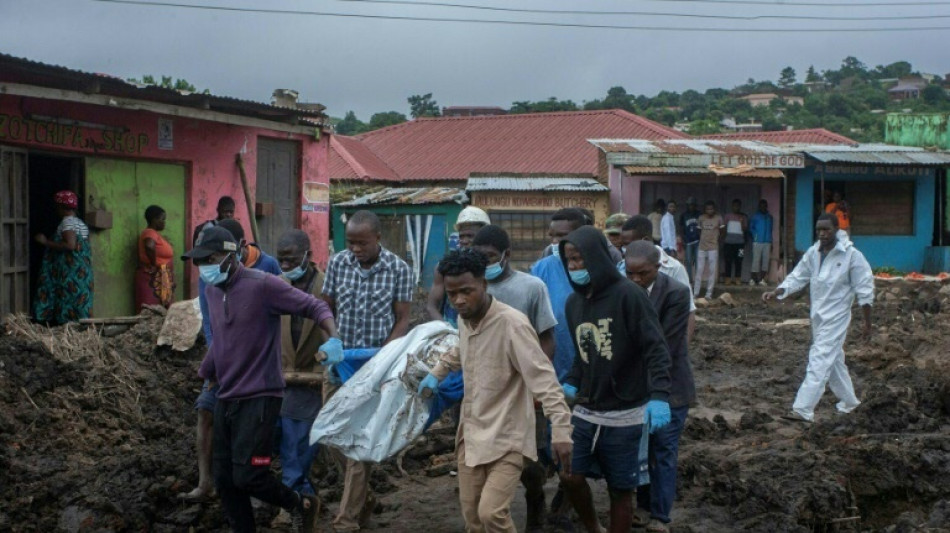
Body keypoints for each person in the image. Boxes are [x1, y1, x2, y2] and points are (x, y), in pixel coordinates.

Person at [185, 226, 341, 533]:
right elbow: (222, 338)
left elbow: (316, 305)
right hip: (227, 393)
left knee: (250, 476)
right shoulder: (213, 291)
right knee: (226, 480)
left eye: (211, 258)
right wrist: (208, 372)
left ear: (232, 255)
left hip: (260, 395)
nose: (204, 266)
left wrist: (333, 339)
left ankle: (299, 502)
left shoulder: (263, 285)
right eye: (199, 260)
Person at [418, 249, 573, 533]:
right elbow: (458, 348)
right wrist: (436, 373)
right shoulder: (465, 319)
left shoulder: (512, 324)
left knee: (492, 514)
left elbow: (545, 381)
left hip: (507, 436)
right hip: (472, 434)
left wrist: (561, 430)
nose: (459, 300)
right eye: (452, 294)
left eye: (467, 291)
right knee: (473, 519)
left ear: (484, 284)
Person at [557, 226, 672, 533]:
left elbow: (656, 348)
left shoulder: (629, 295)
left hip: (626, 410)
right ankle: (594, 526)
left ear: (596, 258)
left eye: (580, 259)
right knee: (569, 475)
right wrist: (570, 382)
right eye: (569, 260)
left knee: (620, 489)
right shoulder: (573, 304)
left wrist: (660, 395)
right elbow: (585, 356)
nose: (574, 267)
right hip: (587, 407)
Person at [322, 209, 413, 532]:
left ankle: (346, 520)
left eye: (362, 243)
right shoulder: (336, 263)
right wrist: (330, 344)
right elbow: (325, 308)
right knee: (331, 435)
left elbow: (402, 319)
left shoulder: (399, 270)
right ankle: (364, 498)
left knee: (360, 443)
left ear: (377, 238)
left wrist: (384, 361)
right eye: (351, 243)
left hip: (375, 368)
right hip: (339, 365)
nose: (356, 249)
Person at [180, 219, 283, 504]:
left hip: (258, 371)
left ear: (236, 249)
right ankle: (207, 482)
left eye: (209, 256)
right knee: (206, 411)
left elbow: (286, 314)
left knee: (257, 433)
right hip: (222, 365)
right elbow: (212, 323)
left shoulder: (267, 271)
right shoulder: (209, 279)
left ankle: (259, 483)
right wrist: (216, 362)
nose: (203, 264)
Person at [472, 225, 558, 532]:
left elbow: (547, 338)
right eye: (479, 257)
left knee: (530, 459)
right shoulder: (472, 288)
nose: (486, 262)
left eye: (492, 256)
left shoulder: (531, 287)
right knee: (482, 458)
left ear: (507, 255)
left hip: (523, 389)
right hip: (484, 390)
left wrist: (533, 375)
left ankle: (536, 501)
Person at [762, 214, 873, 423]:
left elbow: (865, 289)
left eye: (826, 230)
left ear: (837, 229)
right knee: (834, 361)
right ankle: (850, 403)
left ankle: (803, 410)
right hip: (818, 317)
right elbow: (798, 276)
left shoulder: (852, 256)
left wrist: (868, 324)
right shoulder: (814, 253)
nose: (822, 234)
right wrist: (777, 291)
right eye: (819, 230)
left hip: (837, 319)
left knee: (819, 359)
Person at [530, 208, 595, 531]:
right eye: (552, 235)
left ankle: (563, 505)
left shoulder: (598, 272)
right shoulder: (541, 269)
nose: (555, 242)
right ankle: (541, 503)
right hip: (548, 372)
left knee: (573, 446)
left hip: (587, 375)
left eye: (563, 236)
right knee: (543, 446)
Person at [624, 242, 694, 533]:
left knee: (663, 450)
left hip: (670, 387)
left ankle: (660, 515)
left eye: (644, 273)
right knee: (642, 449)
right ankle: (642, 505)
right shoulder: (623, 290)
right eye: (631, 273)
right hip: (636, 387)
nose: (638, 279)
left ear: (658, 267)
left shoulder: (676, 293)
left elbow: (665, 345)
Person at [276, 229, 327, 504]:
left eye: (292, 260)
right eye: (281, 260)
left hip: (312, 376)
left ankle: (298, 498)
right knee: (281, 441)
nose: (286, 266)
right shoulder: (276, 285)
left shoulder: (326, 287)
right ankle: (297, 492)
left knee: (297, 441)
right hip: (281, 376)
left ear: (308, 255)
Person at [619, 215, 696, 342]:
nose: (624, 249)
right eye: (623, 245)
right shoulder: (622, 267)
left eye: (628, 244)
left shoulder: (673, 268)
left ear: (646, 240)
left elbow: (688, 312)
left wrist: (682, 350)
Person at [33, 190, 93, 325]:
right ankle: (81, 329)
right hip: (82, 272)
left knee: (68, 298)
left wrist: (45, 242)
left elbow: (70, 245)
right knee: (80, 301)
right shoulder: (81, 223)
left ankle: (67, 328)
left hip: (71, 272)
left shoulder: (67, 222)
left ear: (60, 207)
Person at [426, 206, 490, 324]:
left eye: (470, 236)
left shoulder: (493, 266)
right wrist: (447, 330)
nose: (464, 241)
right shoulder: (445, 267)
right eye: (462, 236)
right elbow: (432, 307)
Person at [135, 205, 175, 310]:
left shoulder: (154, 234)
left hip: (160, 277)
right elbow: (149, 245)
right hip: (152, 278)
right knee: (151, 310)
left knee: (159, 310)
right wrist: (154, 264)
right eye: (162, 219)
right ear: (154, 220)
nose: (164, 222)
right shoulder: (149, 232)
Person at [694, 201, 724, 300]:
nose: (709, 211)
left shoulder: (719, 218)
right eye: (707, 209)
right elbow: (698, 231)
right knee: (699, 270)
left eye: (711, 209)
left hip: (713, 248)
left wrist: (715, 240)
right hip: (702, 247)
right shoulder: (701, 218)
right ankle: (696, 293)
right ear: (705, 210)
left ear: (714, 209)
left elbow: (722, 232)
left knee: (712, 271)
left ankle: (708, 294)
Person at [722, 199, 748, 286]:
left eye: (738, 206)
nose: (736, 208)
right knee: (728, 261)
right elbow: (724, 229)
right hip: (728, 243)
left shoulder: (743, 217)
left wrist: (741, 222)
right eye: (734, 206)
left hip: (740, 243)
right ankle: (728, 279)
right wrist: (723, 239)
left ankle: (738, 278)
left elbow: (745, 229)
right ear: (732, 206)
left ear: (740, 207)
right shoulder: (727, 216)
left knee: (739, 261)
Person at [748, 200, 774, 286]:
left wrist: (771, 241)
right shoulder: (755, 217)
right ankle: (753, 279)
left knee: (765, 261)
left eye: (764, 206)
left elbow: (771, 230)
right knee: (756, 260)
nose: (763, 207)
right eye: (761, 206)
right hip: (757, 241)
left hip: (767, 242)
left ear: (766, 206)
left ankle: (762, 279)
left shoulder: (769, 217)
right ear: (759, 207)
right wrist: (755, 235)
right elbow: (751, 228)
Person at [679, 198, 702, 284]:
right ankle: (689, 279)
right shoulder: (684, 215)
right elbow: (681, 228)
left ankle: (697, 280)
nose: (691, 206)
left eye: (692, 204)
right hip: (688, 241)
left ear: (695, 205)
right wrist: (683, 239)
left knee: (697, 261)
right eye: (689, 204)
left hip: (697, 240)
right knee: (688, 261)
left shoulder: (699, 214)